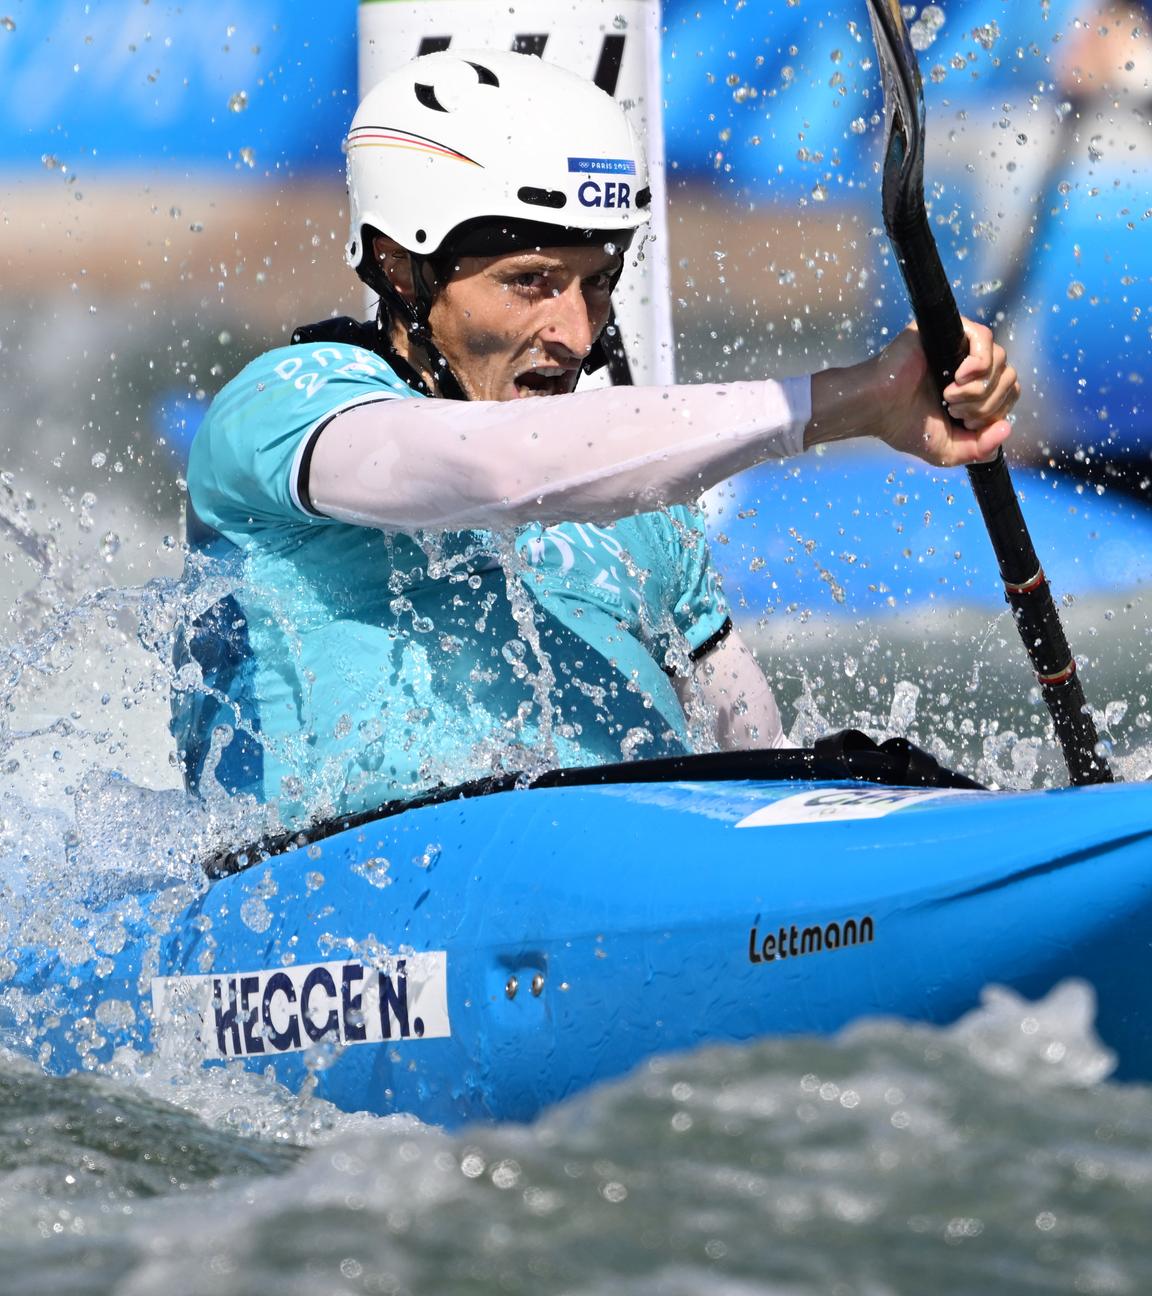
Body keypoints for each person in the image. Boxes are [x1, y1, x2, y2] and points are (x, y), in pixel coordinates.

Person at [170, 49, 1018, 828]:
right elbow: (499, 465)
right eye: (530, 283)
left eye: (598, 284)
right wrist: (856, 401)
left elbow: (755, 767)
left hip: (605, 910)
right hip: (327, 927)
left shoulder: (641, 508)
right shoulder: (281, 411)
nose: (574, 335)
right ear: (400, 266)